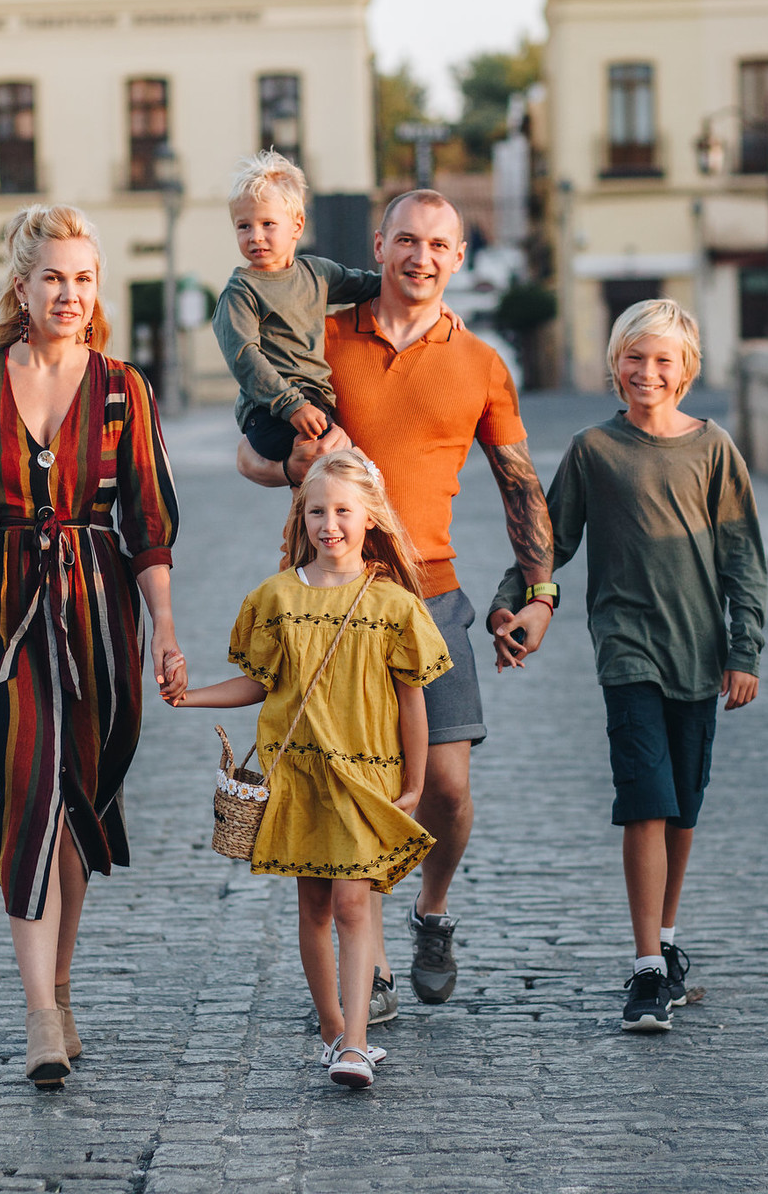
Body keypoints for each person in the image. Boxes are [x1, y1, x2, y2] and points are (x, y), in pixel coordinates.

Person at [237, 189, 554, 1018]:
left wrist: (541, 592)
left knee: (444, 787)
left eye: (439, 244)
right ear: (378, 246)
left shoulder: (482, 364)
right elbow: (249, 453)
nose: (421, 257)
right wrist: (294, 470)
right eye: (405, 240)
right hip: (333, 600)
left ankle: (433, 911)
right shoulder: (323, 336)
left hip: (432, 596)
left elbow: (520, 487)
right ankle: (366, 965)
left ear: (458, 258)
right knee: (356, 786)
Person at [0, 204, 184, 1089]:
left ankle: (61, 990)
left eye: (84, 279)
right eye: (53, 278)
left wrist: (168, 633)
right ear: (21, 287)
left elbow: (146, 526)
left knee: (76, 799)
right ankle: (37, 1016)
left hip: (100, 616)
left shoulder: (122, 389)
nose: (70, 293)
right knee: (23, 792)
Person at [489, 299, 767, 1032]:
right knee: (645, 796)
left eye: (662, 360)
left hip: (700, 649)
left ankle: (667, 942)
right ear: (615, 365)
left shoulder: (713, 450)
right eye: (634, 358)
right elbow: (549, 537)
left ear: (686, 370)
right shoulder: (593, 450)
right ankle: (646, 966)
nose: (647, 372)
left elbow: (743, 559)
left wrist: (745, 650)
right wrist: (510, 601)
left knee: (683, 805)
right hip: (626, 646)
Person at [174, 452, 447, 1088]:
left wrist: (414, 782)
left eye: (344, 511)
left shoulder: (393, 606)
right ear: (302, 515)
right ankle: (331, 1029)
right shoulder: (275, 598)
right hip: (298, 777)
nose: (330, 524)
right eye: (317, 510)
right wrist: (191, 696)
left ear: (370, 517)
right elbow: (257, 683)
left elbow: (414, 701)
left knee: (355, 905)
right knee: (315, 906)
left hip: (365, 781)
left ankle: (356, 1043)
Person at [213, 149, 382, 468]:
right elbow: (246, 360)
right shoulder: (240, 291)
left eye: (267, 224)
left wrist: (430, 301)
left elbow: (372, 286)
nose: (256, 237)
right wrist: (292, 406)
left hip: (315, 403)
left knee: (343, 477)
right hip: (270, 412)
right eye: (244, 226)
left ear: (297, 225)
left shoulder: (317, 273)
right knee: (356, 471)